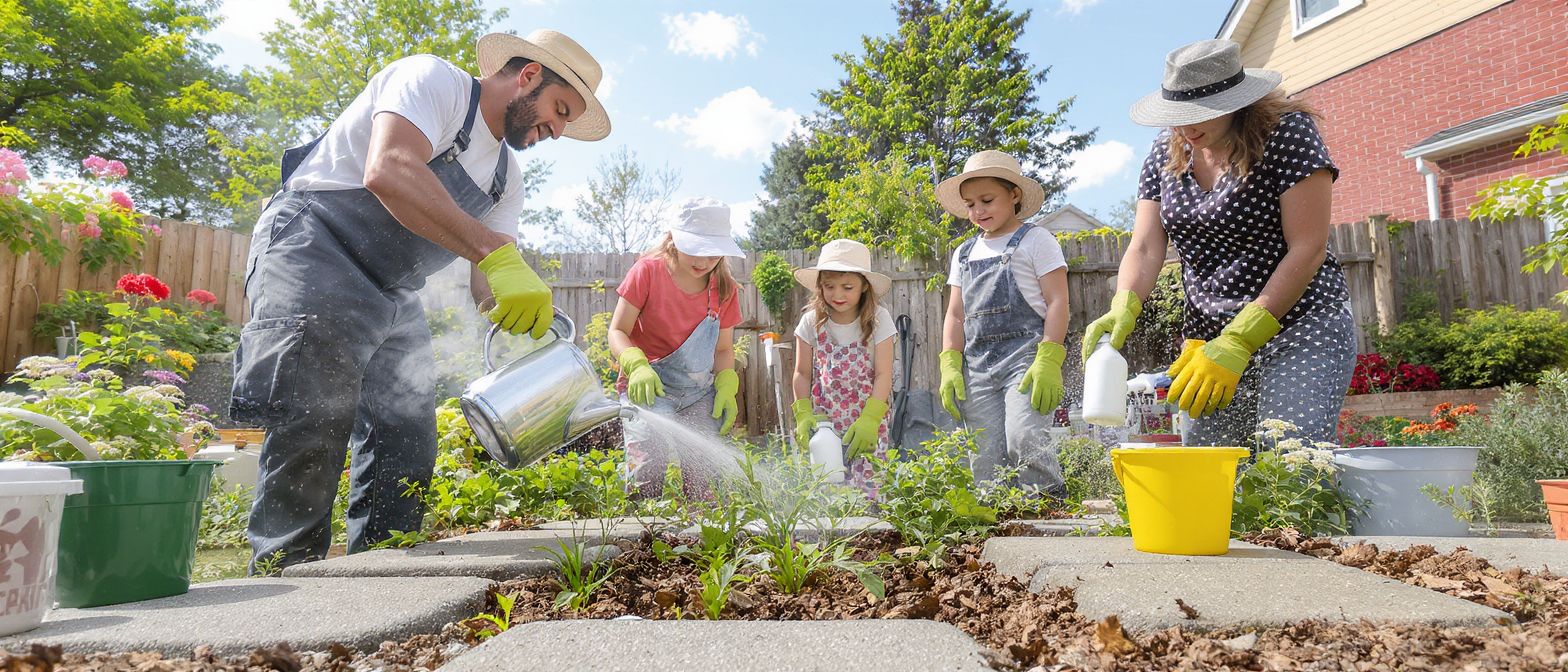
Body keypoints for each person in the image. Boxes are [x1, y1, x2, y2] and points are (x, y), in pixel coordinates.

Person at [233, 30, 610, 571]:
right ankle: (280, 586)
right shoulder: (433, 81)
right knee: (313, 414)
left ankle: (382, 571)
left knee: (405, 436)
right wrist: (495, 256)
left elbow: (490, 275)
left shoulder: (507, 176)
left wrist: (521, 315)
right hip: (315, 246)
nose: (558, 129)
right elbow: (389, 168)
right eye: (560, 109)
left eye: (567, 121)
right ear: (528, 76)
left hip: (392, 290)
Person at [1083, 39, 1353, 446]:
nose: (1184, 127)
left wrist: (1243, 337)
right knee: (1211, 477)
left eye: (1197, 114)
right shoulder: (1167, 149)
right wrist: (1125, 303)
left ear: (1236, 101)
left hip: (1299, 326)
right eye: (1176, 114)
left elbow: (1308, 247)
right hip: (1209, 346)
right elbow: (1144, 246)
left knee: (1289, 464)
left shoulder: (1287, 134)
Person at [936, 150, 1071, 495]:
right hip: (977, 366)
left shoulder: (1037, 241)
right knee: (984, 453)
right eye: (970, 204)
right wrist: (950, 364)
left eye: (986, 200)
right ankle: (1000, 520)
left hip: (1025, 358)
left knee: (1023, 437)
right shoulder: (964, 253)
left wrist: (1050, 357)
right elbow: (955, 314)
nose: (977, 211)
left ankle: (1049, 507)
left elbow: (1058, 302)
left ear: (1014, 195)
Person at [607, 198, 745, 499]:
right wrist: (636, 364)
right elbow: (617, 331)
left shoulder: (724, 289)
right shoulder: (648, 272)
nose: (703, 261)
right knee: (648, 463)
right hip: (648, 386)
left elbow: (723, 350)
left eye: (712, 253)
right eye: (695, 248)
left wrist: (726, 383)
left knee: (704, 474)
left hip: (697, 392)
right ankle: (640, 530)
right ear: (674, 238)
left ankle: (701, 535)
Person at [789, 239, 897, 497]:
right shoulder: (811, 322)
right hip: (825, 424)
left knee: (870, 492)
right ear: (820, 287)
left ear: (864, 286)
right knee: (828, 491)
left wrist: (870, 419)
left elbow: (884, 374)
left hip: (867, 425)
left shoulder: (878, 319)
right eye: (829, 287)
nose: (838, 295)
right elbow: (802, 373)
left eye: (847, 287)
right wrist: (803, 413)